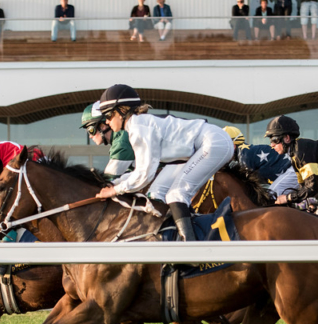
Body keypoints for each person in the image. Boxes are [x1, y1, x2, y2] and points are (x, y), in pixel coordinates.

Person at [94, 84, 235, 242]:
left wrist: (115, 190)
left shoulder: (138, 127)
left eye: (108, 115)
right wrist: (114, 183)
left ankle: (192, 250)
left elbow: (144, 175)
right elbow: (140, 171)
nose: (106, 121)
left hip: (212, 142)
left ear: (121, 111)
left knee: (176, 194)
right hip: (196, 148)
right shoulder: (137, 125)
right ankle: (182, 235)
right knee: (156, 193)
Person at [224, 126, 299, 199]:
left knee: (271, 197)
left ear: (233, 146)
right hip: (290, 170)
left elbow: (246, 186)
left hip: (292, 170)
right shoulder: (244, 152)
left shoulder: (244, 155)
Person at [80, 103, 134, 178]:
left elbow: (110, 180)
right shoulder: (121, 137)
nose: (90, 136)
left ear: (103, 126)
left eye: (90, 130)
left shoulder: (121, 142)